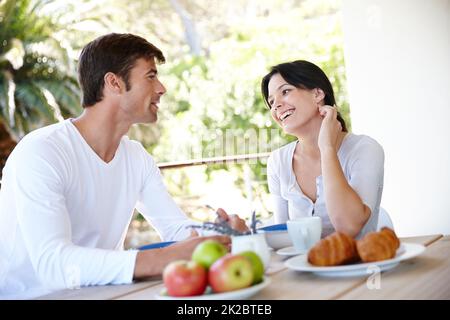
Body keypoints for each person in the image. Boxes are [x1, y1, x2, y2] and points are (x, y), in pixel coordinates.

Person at [0, 33, 246, 299]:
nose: (161, 88)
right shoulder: (43, 151)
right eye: (151, 76)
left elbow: (175, 229)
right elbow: (53, 265)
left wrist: (220, 233)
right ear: (114, 82)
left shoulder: (136, 157)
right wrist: (158, 258)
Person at [261, 60, 384, 239]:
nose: (276, 106)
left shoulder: (365, 149)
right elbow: (283, 237)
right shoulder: (278, 161)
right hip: (303, 266)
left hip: (361, 265)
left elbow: (349, 227)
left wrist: (327, 149)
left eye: (285, 92)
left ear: (318, 93)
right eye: (271, 102)